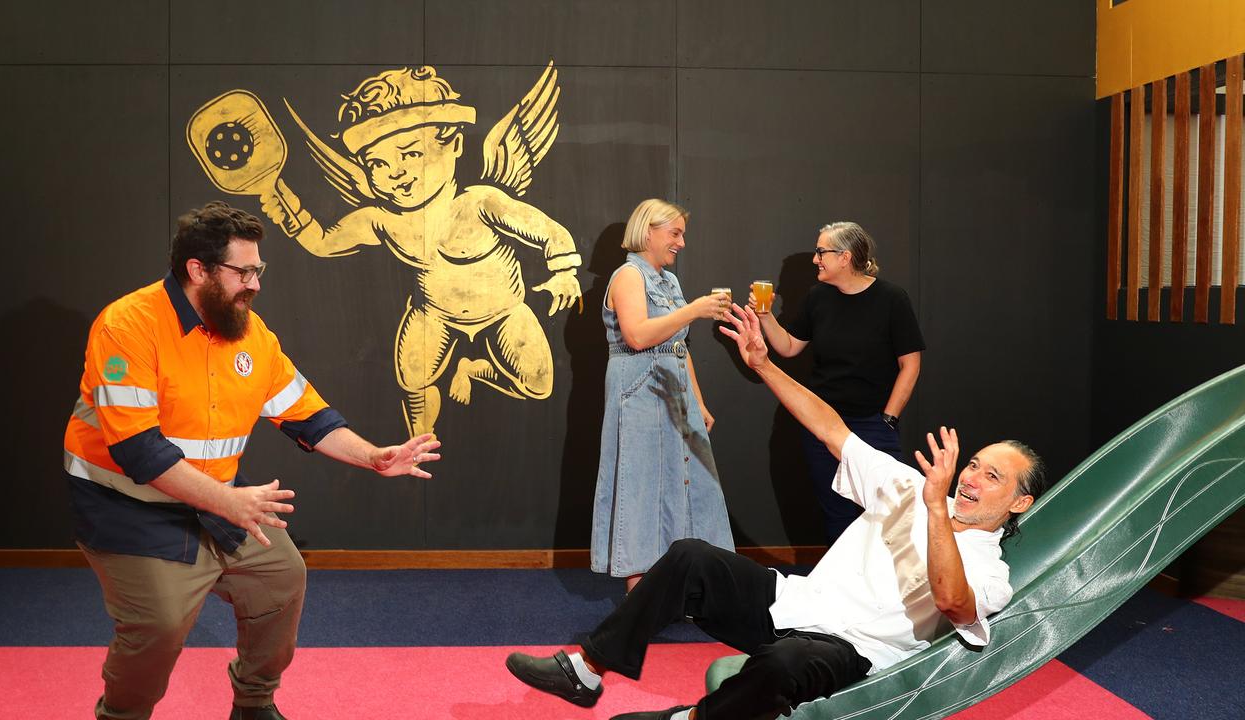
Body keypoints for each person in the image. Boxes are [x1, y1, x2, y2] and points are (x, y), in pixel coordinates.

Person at [506, 304, 1052, 720]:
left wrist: (937, 510)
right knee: (692, 557)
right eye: (976, 464)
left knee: (779, 668)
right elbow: (830, 427)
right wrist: (765, 365)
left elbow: (955, 604)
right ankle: (586, 669)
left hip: (851, 649)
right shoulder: (909, 485)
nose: (974, 478)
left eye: (993, 476)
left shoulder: (990, 570)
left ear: (1020, 503)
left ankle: (687, 719)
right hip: (794, 602)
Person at [62, 201, 442, 720]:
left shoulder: (251, 332)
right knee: (161, 623)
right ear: (198, 270)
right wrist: (230, 502)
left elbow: (309, 417)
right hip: (128, 506)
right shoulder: (127, 325)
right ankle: (120, 716)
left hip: (220, 499)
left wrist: (374, 456)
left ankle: (254, 705)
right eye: (242, 271)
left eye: (257, 270)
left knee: (281, 578)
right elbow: (138, 452)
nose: (255, 283)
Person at [260, 65, 582, 437]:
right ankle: (418, 440)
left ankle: (474, 369)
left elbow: (549, 232)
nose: (394, 173)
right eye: (378, 164)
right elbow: (322, 242)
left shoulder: (479, 203)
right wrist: (284, 206)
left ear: (455, 144)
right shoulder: (383, 220)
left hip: (504, 310)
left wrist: (564, 272)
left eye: (409, 154)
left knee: (537, 382)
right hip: (434, 314)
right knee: (412, 379)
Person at [591, 199, 735, 592]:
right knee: (642, 491)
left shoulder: (668, 282)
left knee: (688, 487)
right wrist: (694, 311)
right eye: (675, 233)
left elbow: (678, 347)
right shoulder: (627, 276)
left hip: (675, 395)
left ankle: (686, 594)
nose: (682, 243)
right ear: (648, 231)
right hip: (640, 394)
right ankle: (641, 605)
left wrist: (699, 401)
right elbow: (637, 336)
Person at [750, 221, 924, 543]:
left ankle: (883, 587)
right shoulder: (818, 298)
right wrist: (765, 316)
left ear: (844, 257)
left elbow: (910, 365)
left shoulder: (891, 299)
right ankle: (840, 589)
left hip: (873, 425)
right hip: (821, 425)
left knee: (886, 513)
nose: (815, 259)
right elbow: (789, 347)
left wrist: (888, 419)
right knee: (836, 514)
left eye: (821, 252)